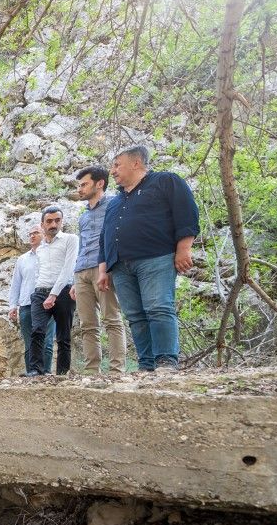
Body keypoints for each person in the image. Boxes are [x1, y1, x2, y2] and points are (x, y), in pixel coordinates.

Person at [98, 144, 200, 372]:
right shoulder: (115, 202)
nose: (112, 171)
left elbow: (187, 213)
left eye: (117, 165)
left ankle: (166, 360)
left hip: (156, 258)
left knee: (158, 307)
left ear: (136, 163)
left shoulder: (166, 181)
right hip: (121, 266)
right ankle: (147, 364)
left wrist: (184, 247)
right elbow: (105, 236)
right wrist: (103, 269)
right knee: (135, 316)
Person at [71, 166, 126, 374]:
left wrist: (111, 267)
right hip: (81, 271)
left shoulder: (114, 204)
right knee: (87, 325)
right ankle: (92, 371)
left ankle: (116, 370)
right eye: (79, 185)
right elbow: (82, 245)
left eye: (84, 184)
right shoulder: (83, 216)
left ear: (100, 183)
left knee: (111, 318)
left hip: (104, 267)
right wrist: (73, 280)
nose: (80, 189)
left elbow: (117, 237)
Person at [29, 206, 78, 376]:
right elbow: (38, 272)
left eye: (57, 220)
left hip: (63, 292)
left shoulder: (70, 239)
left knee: (63, 336)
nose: (53, 224)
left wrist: (53, 294)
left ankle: (62, 373)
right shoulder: (40, 248)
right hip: (40, 292)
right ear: (42, 225)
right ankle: (36, 370)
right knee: (37, 331)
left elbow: (68, 269)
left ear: (62, 222)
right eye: (49, 221)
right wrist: (37, 292)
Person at [7, 227, 54, 376]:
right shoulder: (22, 259)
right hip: (26, 304)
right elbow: (16, 284)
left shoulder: (51, 254)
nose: (32, 236)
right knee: (29, 342)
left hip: (46, 302)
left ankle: (45, 372)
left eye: (36, 233)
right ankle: (32, 373)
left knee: (47, 341)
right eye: (30, 234)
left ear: (44, 234)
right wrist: (13, 306)